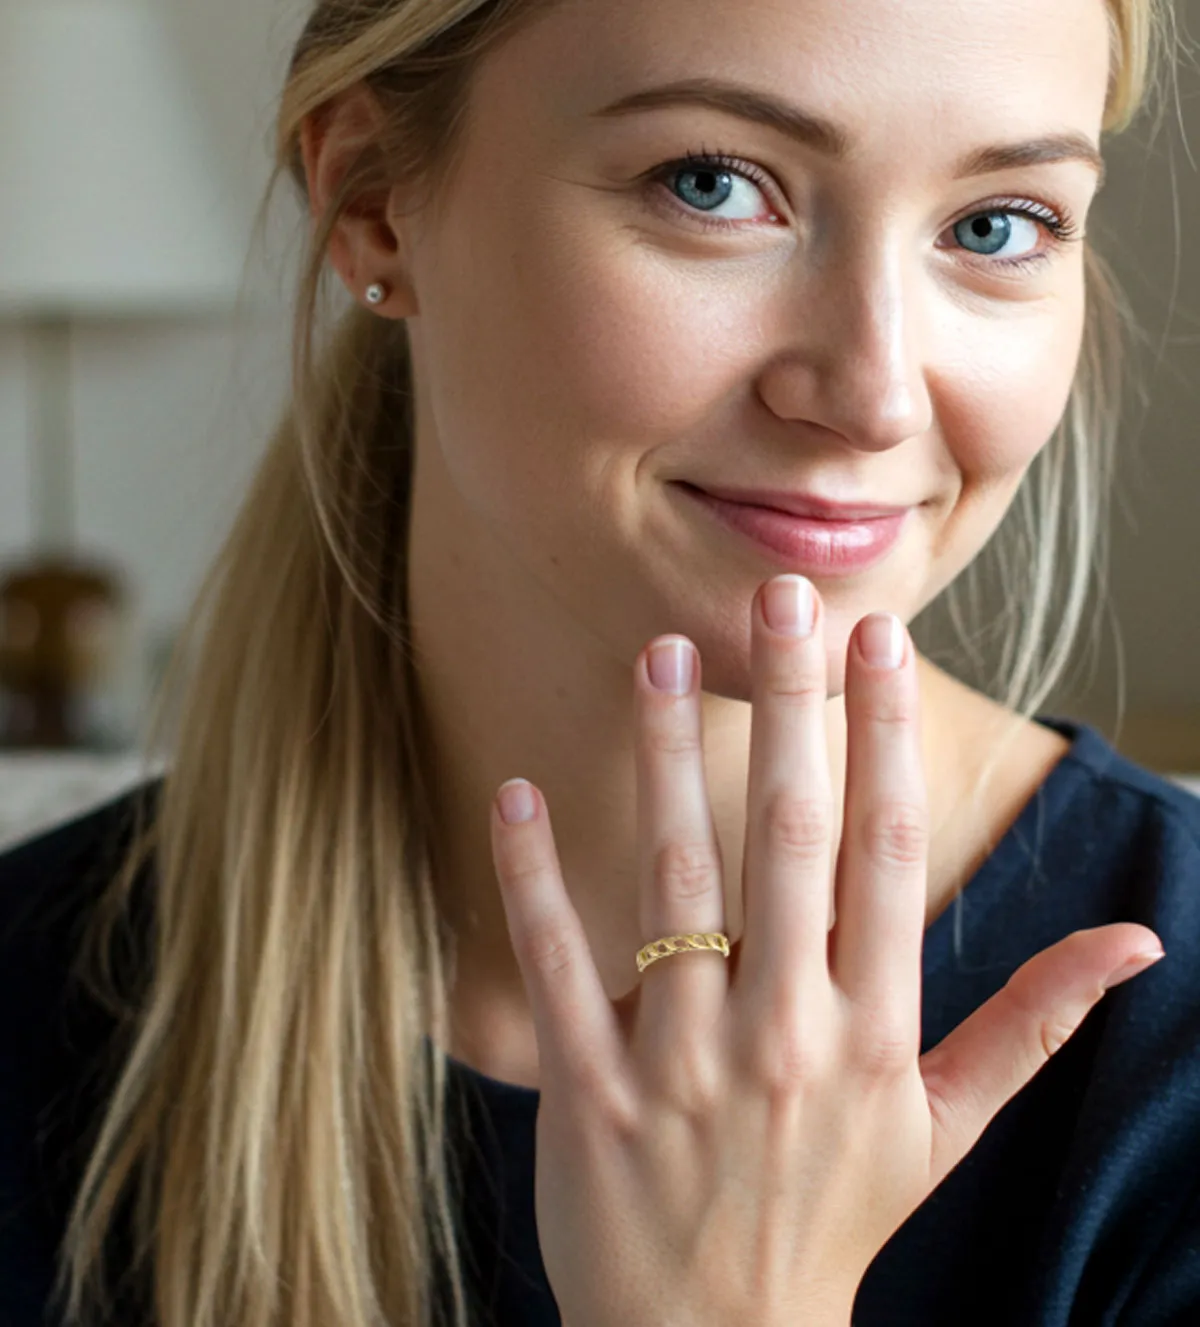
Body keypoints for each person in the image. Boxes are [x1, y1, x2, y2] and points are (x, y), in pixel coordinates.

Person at [1, 0, 1198, 1322]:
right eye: (713, 184)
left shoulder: (1171, 1054)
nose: (875, 395)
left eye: (996, 226)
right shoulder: (32, 998)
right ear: (373, 199)